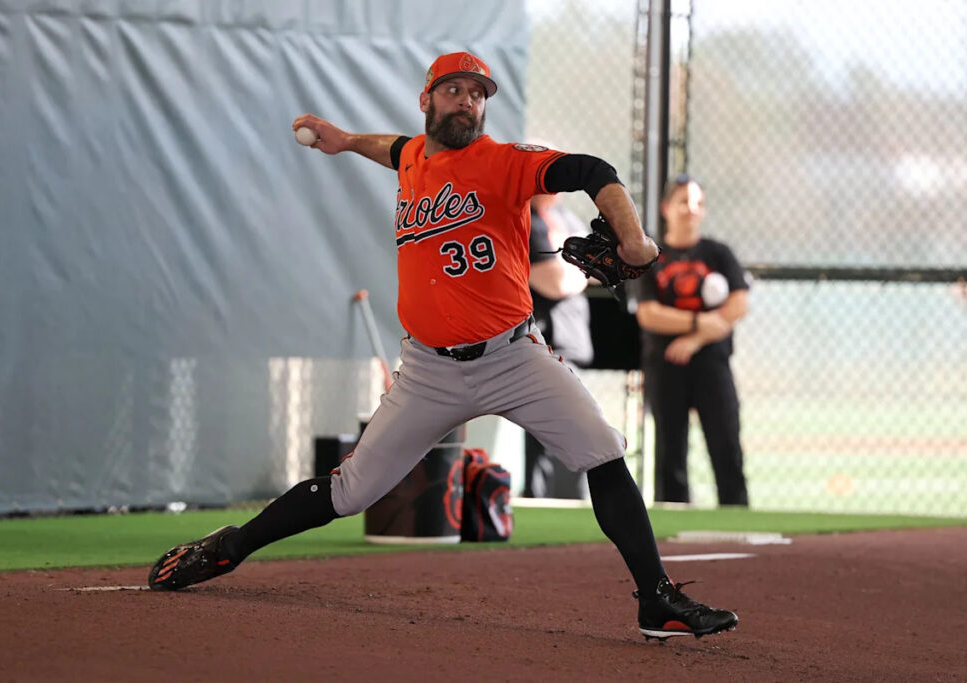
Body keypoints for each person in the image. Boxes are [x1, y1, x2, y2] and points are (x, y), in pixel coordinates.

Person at [148, 52, 738, 641]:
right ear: (426, 100)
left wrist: (633, 240)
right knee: (351, 491)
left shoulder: (506, 163)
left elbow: (591, 168)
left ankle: (655, 599)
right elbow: (396, 148)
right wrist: (347, 140)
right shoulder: (412, 158)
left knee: (603, 451)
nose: (467, 101)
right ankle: (229, 546)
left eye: (478, 93)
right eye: (453, 90)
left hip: (513, 357)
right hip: (428, 370)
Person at [636, 175, 750, 507]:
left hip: (712, 363)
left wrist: (694, 340)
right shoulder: (651, 256)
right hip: (665, 365)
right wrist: (701, 322)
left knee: (726, 443)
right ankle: (672, 522)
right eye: (684, 202)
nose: (691, 210)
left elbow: (738, 305)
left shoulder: (718, 253)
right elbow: (649, 313)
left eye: (698, 203)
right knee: (670, 450)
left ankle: (737, 514)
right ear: (666, 208)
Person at [523, 190, 593, 499]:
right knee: (546, 431)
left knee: (571, 427)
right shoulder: (525, 220)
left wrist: (580, 270)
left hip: (571, 344)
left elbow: (602, 264)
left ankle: (567, 499)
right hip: (539, 343)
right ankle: (541, 499)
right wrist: (580, 271)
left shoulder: (568, 219)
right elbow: (556, 282)